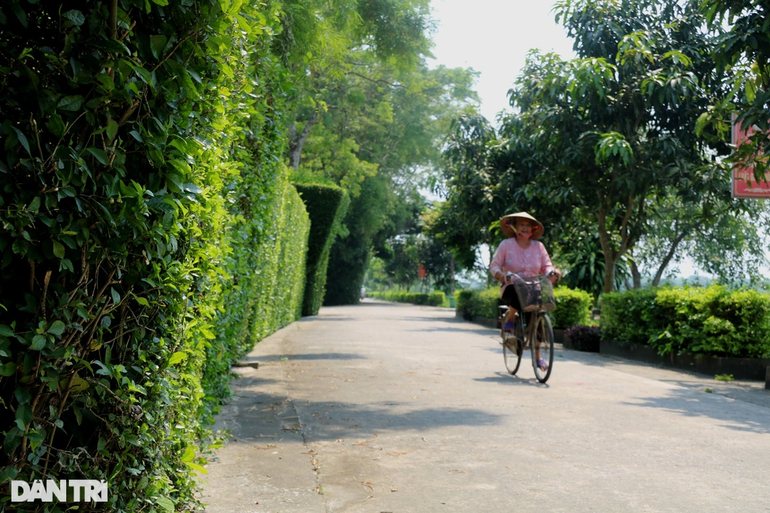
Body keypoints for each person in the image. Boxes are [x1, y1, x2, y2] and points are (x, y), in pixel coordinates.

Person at [489, 212, 561, 370]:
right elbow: (494, 265)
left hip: (532, 287)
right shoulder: (506, 245)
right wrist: (500, 275)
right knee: (516, 291)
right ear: (514, 227)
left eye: (528, 225)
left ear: (533, 229)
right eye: (521, 224)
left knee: (538, 319)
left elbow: (546, 266)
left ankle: (538, 358)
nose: (525, 228)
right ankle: (511, 318)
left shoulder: (539, 247)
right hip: (511, 285)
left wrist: (553, 271)